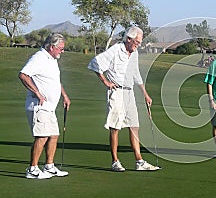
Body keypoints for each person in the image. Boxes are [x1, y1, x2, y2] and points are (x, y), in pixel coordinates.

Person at [88, 26, 160, 171]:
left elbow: (136, 74)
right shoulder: (115, 50)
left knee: (134, 126)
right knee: (115, 128)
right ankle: (115, 161)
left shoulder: (134, 53)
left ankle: (139, 161)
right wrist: (106, 82)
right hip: (117, 92)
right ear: (128, 39)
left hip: (129, 93)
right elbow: (95, 63)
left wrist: (145, 94)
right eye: (137, 42)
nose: (138, 45)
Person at [19, 33, 71, 179]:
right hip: (39, 106)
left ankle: (49, 166)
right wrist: (37, 93)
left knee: (54, 135)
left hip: (50, 107)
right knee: (42, 137)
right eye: (60, 48)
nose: (62, 51)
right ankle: (32, 169)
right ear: (51, 47)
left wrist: (64, 95)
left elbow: (54, 81)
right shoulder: (39, 58)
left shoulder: (52, 60)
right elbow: (23, 75)